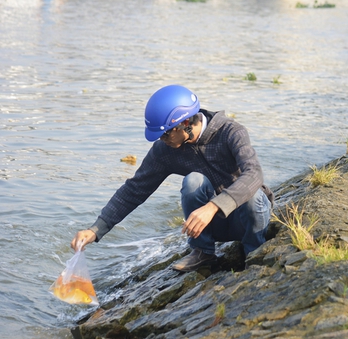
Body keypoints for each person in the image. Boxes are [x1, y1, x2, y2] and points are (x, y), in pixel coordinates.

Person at [71, 85, 273, 272]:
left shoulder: (231, 132)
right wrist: (96, 230)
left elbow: (254, 173)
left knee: (253, 194)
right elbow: (134, 190)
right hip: (212, 226)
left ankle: (253, 253)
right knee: (193, 181)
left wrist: (213, 207)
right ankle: (203, 252)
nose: (162, 140)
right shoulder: (165, 151)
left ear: (185, 123)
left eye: (166, 134)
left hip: (248, 220)